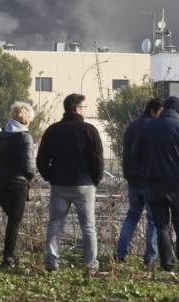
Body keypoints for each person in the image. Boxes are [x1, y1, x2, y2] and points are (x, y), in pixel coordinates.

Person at [36, 93, 104, 273]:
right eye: (84, 107)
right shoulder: (89, 130)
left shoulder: (52, 130)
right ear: (77, 109)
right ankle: (91, 265)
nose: (85, 110)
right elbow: (97, 158)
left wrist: (49, 176)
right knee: (88, 226)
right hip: (84, 185)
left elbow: (42, 158)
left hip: (59, 184)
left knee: (55, 224)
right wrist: (95, 179)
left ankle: (52, 261)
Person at [133, 95, 179, 276]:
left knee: (161, 225)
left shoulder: (148, 128)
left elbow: (136, 153)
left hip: (154, 184)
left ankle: (167, 265)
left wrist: (147, 172)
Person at [116, 97, 162, 266]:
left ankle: (120, 254)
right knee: (153, 219)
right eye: (161, 112)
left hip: (132, 179)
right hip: (149, 179)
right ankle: (150, 258)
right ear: (153, 111)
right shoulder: (154, 127)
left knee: (132, 216)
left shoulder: (132, 126)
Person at [0, 101, 36, 268]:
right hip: (17, 184)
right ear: (27, 119)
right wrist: (32, 177)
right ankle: (8, 258)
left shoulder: (1, 135)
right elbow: (29, 165)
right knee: (14, 222)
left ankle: (10, 256)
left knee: (12, 220)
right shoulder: (26, 137)